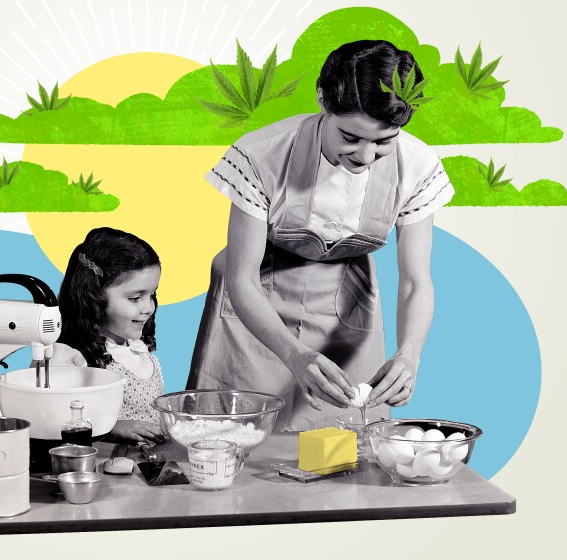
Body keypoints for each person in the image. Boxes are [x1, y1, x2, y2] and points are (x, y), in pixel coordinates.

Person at [187, 40, 454, 431]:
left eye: (383, 141)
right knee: (232, 433)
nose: (365, 157)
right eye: (351, 137)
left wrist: (410, 354)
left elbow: (416, 281)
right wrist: (294, 355)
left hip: (347, 306)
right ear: (323, 100)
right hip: (255, 303)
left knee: (343, 439)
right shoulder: (261, 155)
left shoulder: (418, 166)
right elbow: (241, 278)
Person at [50, 227, 166, 444]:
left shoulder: (136, 348)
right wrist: (110, 429)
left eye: (152, 294)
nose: (149, 308)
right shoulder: (68, 357)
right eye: (135, 298)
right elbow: (51, 418)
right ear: (94, 295)